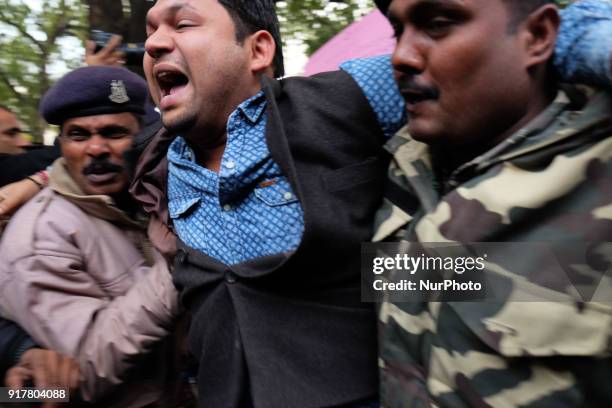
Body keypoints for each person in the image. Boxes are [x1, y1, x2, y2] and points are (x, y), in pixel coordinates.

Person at [132, 0, 612, 407]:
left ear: (258, 49)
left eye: (183, 23)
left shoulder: (353, 98)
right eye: (150, 29)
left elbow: (497, 56)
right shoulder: (153, 167)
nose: (153, 43)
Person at [373, 0, 612, 406]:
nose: (401, 55)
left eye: (438, 24)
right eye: (398, 30)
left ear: (536, 36)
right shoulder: (400, 163)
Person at [0, 65, 182, 407]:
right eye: (79, 135)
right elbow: (85, 368)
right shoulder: (41, 237)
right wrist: (177, 265)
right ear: (62, 144)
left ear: (145, 138)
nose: (95, 149)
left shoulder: (148, 196)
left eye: (114, 132)